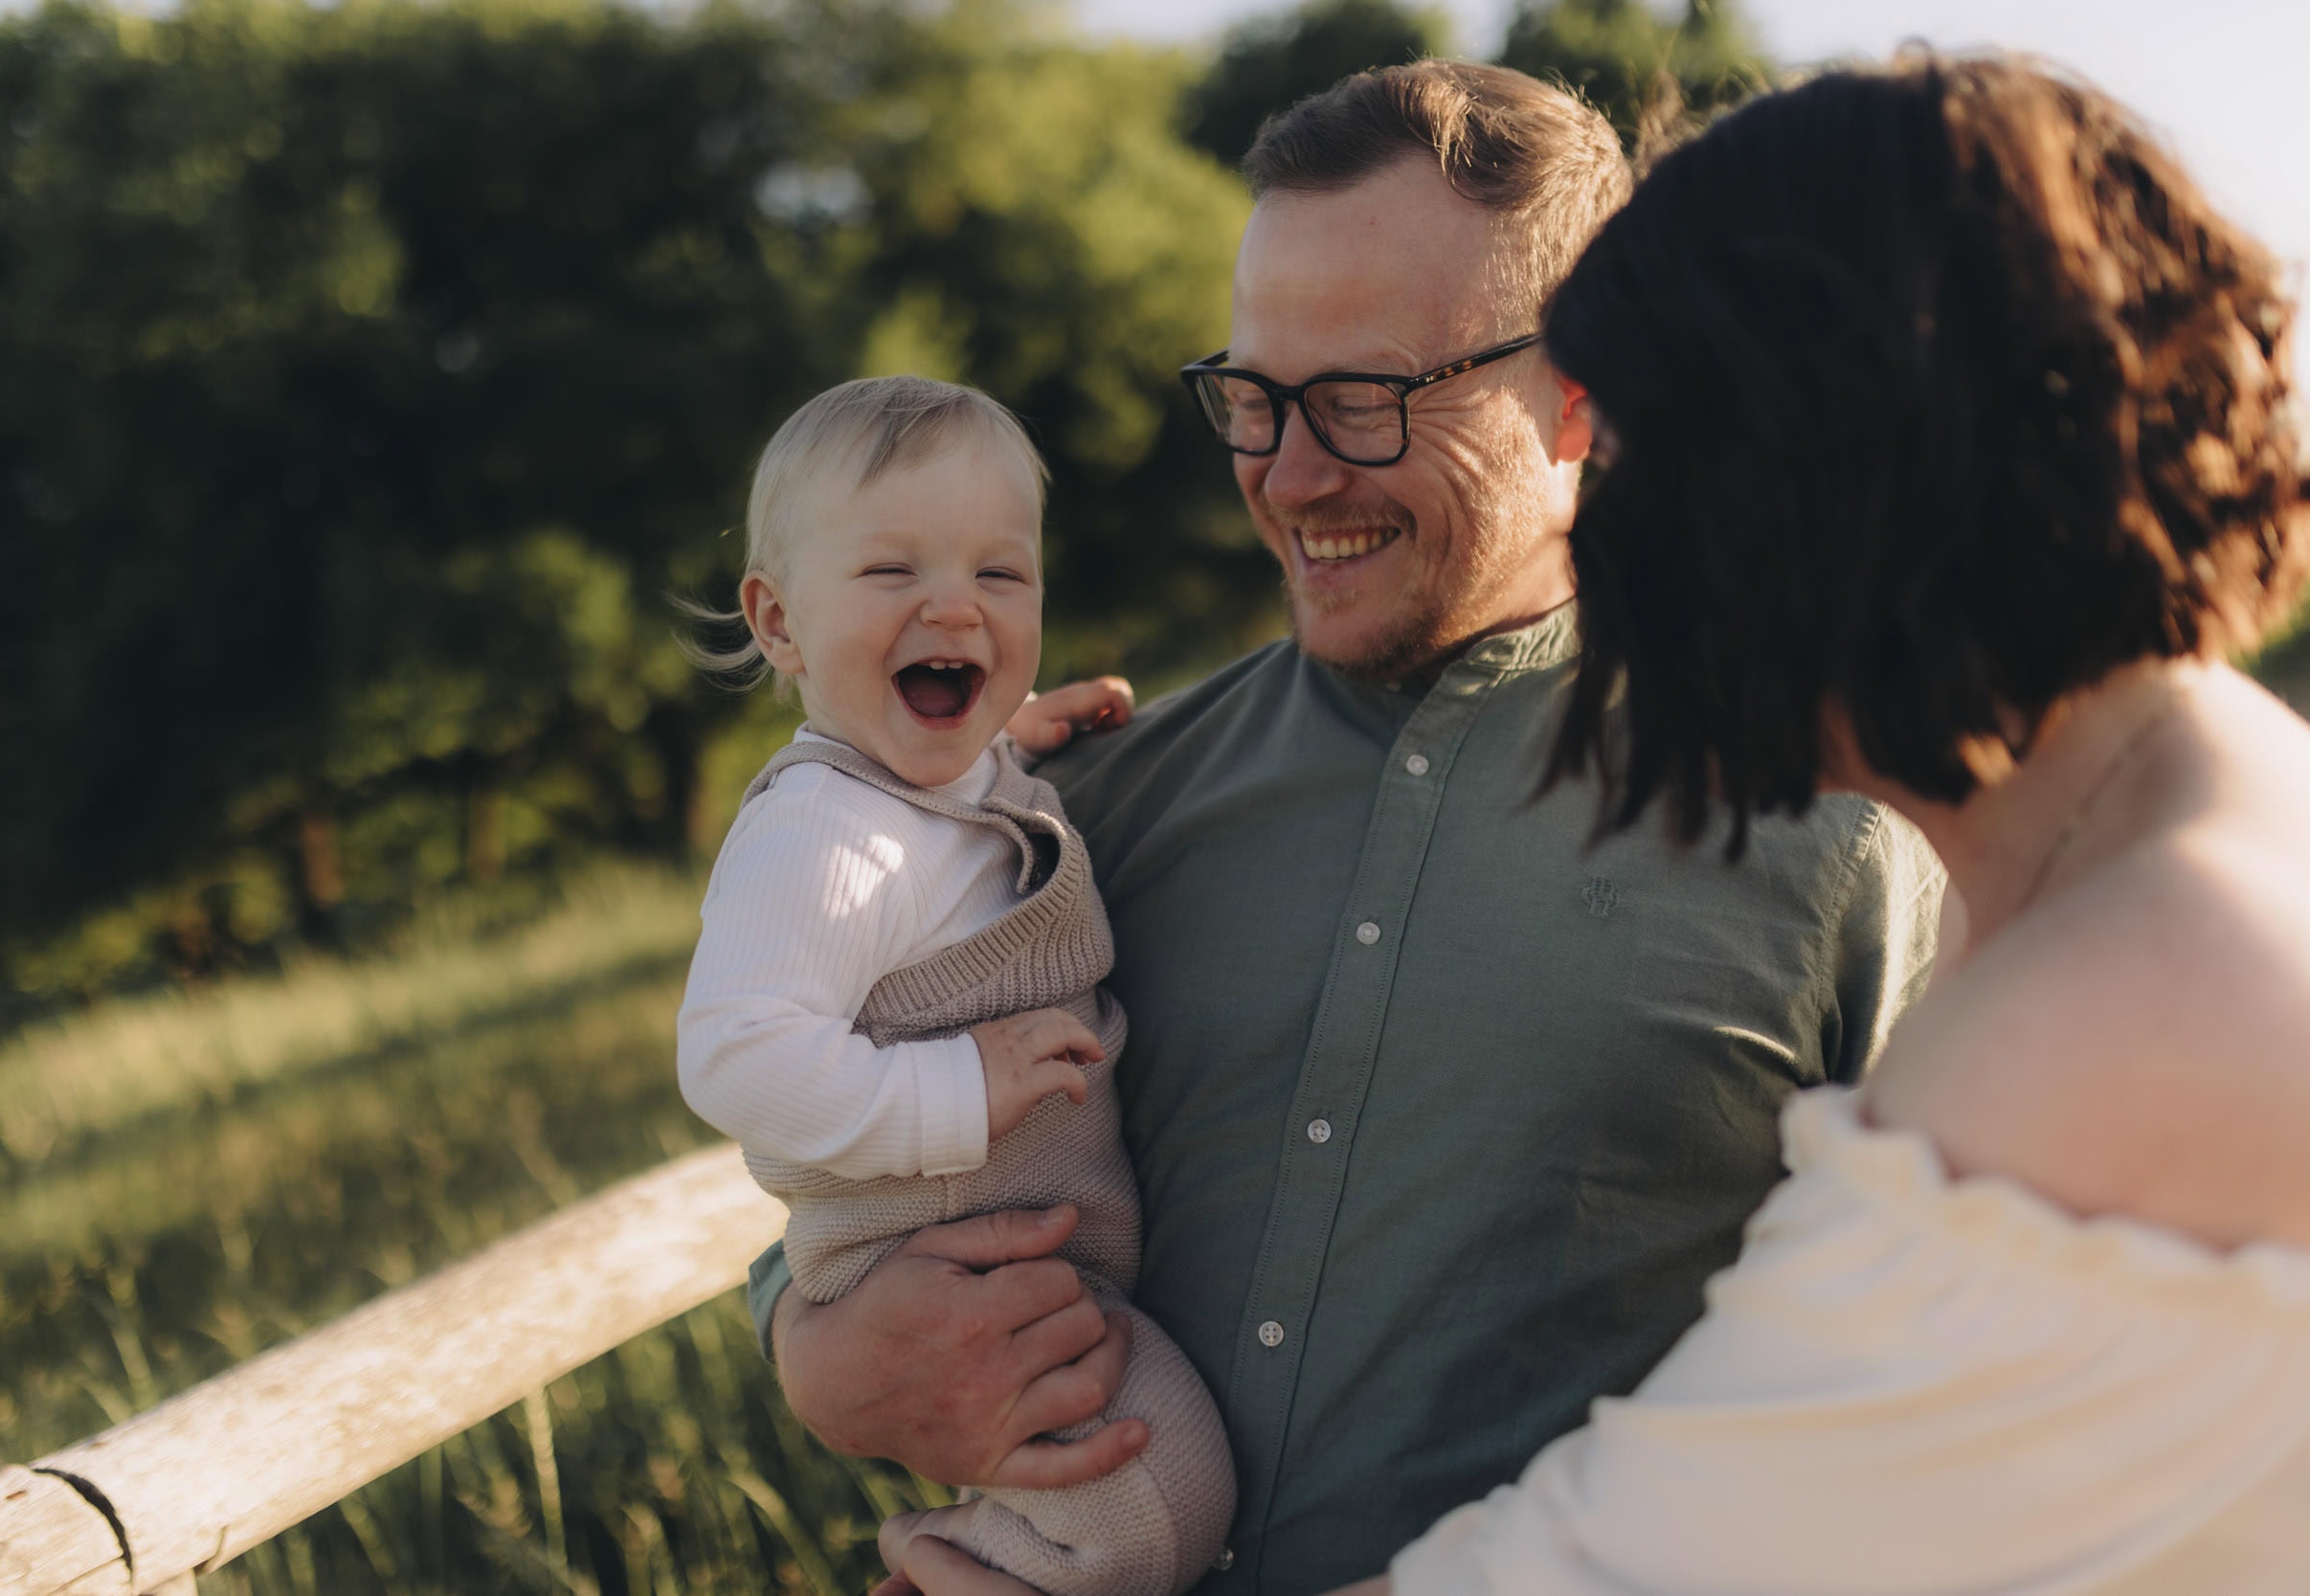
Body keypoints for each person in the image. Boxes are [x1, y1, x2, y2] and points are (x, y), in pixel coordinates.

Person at [751, 63, 1944, 1595]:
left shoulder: (1834, 826)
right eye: (1255, 397)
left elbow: (1930, 1397)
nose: (1291, 473)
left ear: (1584, 395)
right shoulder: (1078, 813)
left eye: (1367, 400)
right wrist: (817, 1347)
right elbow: (853, 1178)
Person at [1340, 52, 2309, 1596]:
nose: (1603, 543)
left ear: (1803, 483)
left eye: (1634, 462)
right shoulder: (2198, 819)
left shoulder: (2119, 1003)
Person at [676, 374, 1233, 1595]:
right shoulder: (819, 832)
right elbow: (730, 1051)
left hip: (1037, 1256)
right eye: (892, 571)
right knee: (1158, 1500)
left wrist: (1006, 741)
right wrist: (954, 1090)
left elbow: (942, 842)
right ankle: (948, 1569)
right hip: (934, 1267)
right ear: (778, 622)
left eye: (1000, 572)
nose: (954, 604)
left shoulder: (935, 784)